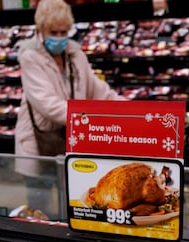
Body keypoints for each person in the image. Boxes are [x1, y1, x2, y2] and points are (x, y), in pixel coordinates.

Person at [14, 0, 122, 174]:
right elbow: (48, 105)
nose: (59, 37)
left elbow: (99, 91)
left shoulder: (76, 56)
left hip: (71, 140)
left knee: (70, 187)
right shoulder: (30, 57)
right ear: (41, 30)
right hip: (38, 143)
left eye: (63, 32)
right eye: (53, 32)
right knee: (41, 189)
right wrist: (89, 119)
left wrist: (131, 111)